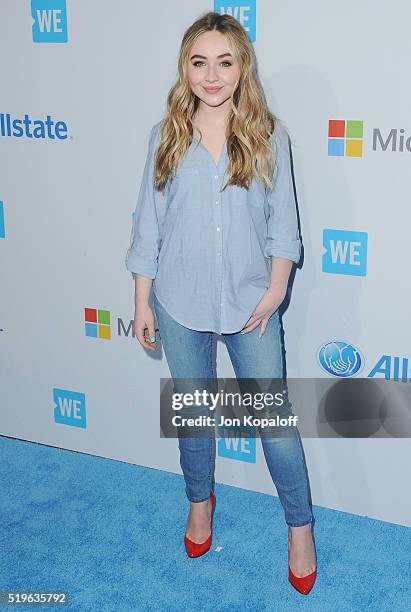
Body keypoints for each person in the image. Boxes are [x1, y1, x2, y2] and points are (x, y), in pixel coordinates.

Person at [125, 11, 317, 595]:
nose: (212, 75)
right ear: (185, 68)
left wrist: (277, 290)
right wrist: (142, 300)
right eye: (199, 62)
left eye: (224, 61)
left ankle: (301, 526)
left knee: (274, 425)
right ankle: (200, 502)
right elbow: (148, 226)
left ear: (242, 68)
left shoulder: (269, 135)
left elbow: (284, 224)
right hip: (179, 301)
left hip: (252, 307)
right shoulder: (165, 134)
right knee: (195, 416)